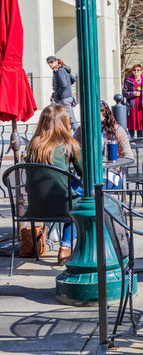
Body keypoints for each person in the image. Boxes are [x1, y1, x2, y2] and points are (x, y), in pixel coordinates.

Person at [26, 104, 82, 266]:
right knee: (84, 195)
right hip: (62, 206)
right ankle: (65, 246)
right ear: (64, 122)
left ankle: (57, 240)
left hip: (35, 207)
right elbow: (86, 173)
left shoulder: (33, 145)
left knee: (68, 187)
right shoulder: (69, 144)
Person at [74, 101, 134, 190]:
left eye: (101, 122)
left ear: (106, 118)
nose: (97, 126)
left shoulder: (117, 130)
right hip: (85, 174)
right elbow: (71, 149)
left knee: (90, 190)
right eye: (92, 122)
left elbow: (129, 157)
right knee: (70, 190)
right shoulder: (81, 130)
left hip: (109, 173)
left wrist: (111, 163)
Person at [47, 56, 78, 132]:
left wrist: (57, 93)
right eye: (48, 63)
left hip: (64, 99)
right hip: (64, 98)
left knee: (71, 120)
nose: (50, 64)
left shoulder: (60, 71)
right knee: (64, 119)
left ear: (56, 61)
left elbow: (63, 85)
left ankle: (80, 137)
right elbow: (72, 79)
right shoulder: (61, 70)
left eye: (51, 62)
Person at [123, 64, 143, 138]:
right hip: (132, 105)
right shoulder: (128, 81)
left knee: (140, 124)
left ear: (141, 71)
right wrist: (133, 93)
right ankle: (131, 139)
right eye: (134, 70)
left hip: (141, 106)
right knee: (131, 124)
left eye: (138, 70)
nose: (136, 71)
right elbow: (124, 93)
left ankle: (140, 139)